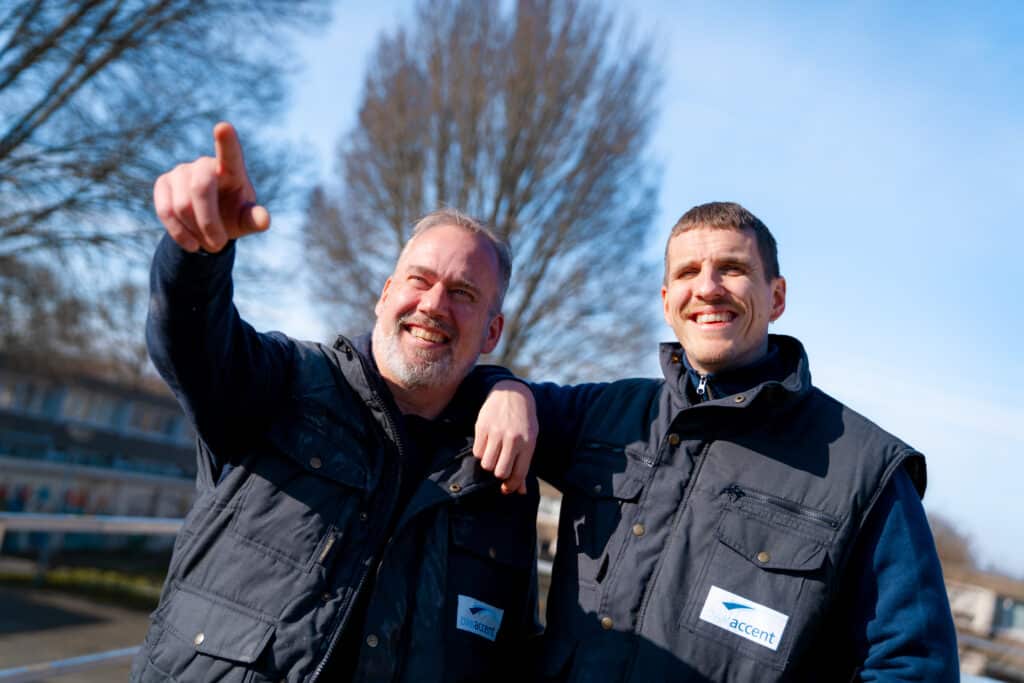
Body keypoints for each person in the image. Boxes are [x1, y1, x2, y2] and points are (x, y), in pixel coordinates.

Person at [131, 122, 542, 682]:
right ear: (385, 296)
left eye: (464, 294)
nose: (434, 305)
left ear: (492, 333)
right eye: (418, 280)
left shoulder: (501, 481)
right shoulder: (286, 383)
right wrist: (196, 256)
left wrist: (508, 387)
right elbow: (190, 341)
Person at [480, 201, 959, 681]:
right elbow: (441, 391)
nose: (707, 288)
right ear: (668, 301)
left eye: (732, 269)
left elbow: (914, 667)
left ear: (776, 297)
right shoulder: (605, 414)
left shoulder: (865, 469)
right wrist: (505, 388)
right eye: (689, 272)